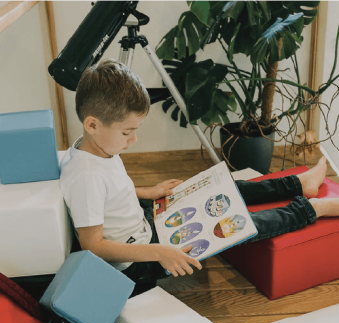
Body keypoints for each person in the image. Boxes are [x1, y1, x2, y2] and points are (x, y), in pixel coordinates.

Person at [60, 58, 339, 296]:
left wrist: (147, 191)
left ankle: (298, 183)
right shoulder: (86, 175)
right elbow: (93, 246)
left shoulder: (96, 147)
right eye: (126, 132)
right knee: (234, 224)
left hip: (143, 223)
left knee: (224, 190)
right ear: (93, 124)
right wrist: (159, 252)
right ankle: (309, 209)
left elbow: (111, 194)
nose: (134, 140)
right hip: (139, 260)